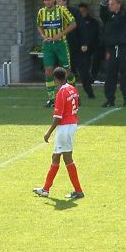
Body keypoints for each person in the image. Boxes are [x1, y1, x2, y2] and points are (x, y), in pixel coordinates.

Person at [33, 68, 84, 200]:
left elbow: (58, 117)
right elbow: (78, 105)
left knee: (64, 158)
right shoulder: (72, 89)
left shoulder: (61, 93)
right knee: (57, 157)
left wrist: (48, 132)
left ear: (55, 79)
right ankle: (46, 189)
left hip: (65, 127)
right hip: (72, 124)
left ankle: (77, 191)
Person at [98, 0, 126, 107]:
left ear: (119, 5)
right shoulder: (107, 17)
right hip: (110, 49)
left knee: (124, 74)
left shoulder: (124, 17)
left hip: (123, 49)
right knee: (110, 74)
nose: (110, 6)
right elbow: (102, 11)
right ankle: (110, 99)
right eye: (109, 4)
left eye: (112, 3)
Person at [36, 0, 75, 107]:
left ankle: (73, 95)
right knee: (48, 71)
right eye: (45, 0)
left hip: (61, 44)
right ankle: (52, 100)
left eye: (48, 0)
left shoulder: (62, 10)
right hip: (48, 45)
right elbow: (39, 25)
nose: (46, 2)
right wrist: (43, 36)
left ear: (53, 0)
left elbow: (73, 24)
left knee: (67, 72)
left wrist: (60, 34)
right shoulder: (41, 12)